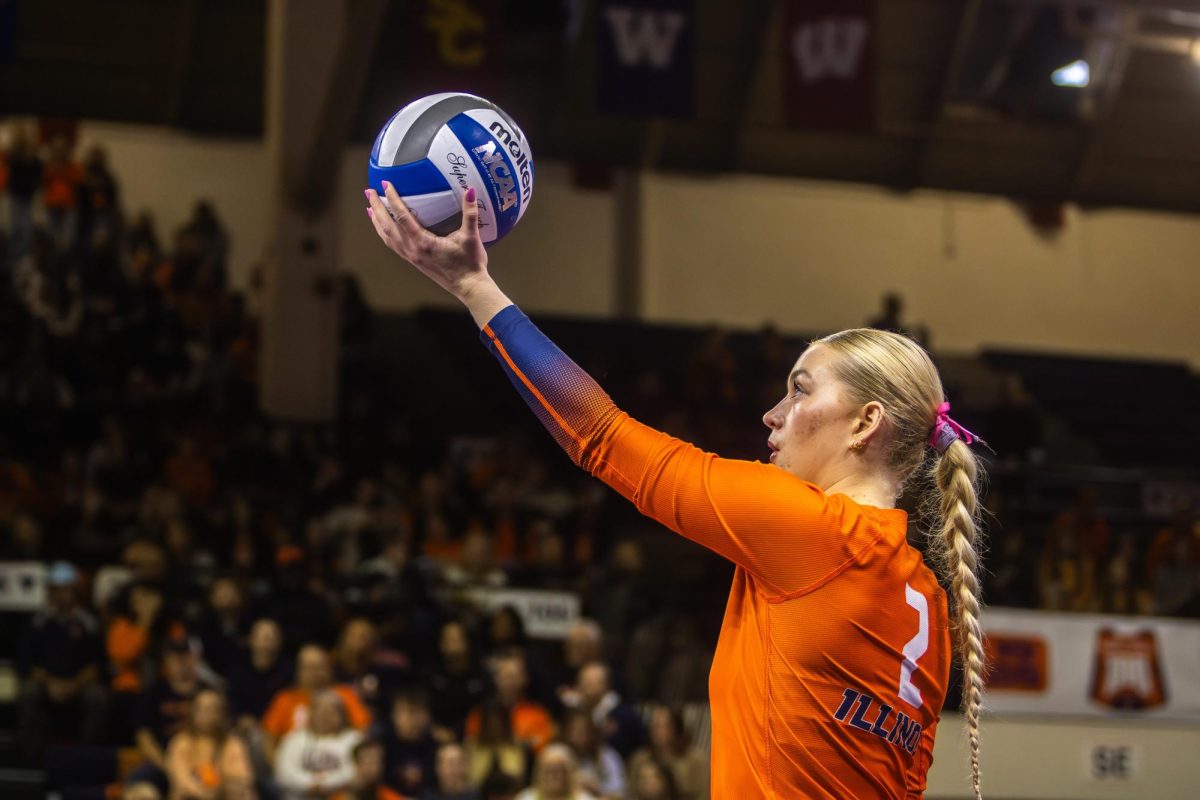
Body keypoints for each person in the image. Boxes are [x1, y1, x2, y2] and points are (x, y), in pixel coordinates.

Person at [365, 184, 988, 798]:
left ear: (865, 423)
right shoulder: (928, 597)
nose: (773, 414)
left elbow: (601, 435)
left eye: (799, 390)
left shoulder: (816, 530)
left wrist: (474, 287)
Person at [17, 561, 107, 759]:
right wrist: (50, 683)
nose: (60, 594)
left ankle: (87, 755)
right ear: (49, 591)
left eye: (65, 589)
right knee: (29, 691)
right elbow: (26, 662)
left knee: (97, 696)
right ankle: (31, 756)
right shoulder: (37, 622)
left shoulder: (89, 622)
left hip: (79, 683)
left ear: (75, 590)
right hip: (46, 682)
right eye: (55, 589)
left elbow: (98, 664)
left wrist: (74, 684)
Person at [262, 644, 372, 755]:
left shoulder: (344, 694)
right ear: (299, 671)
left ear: (329, 669)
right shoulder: (285, 699)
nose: (315, 673)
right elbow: (269, 742)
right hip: (295, 761)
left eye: (320, 667)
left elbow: (363, 731)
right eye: (309, 668)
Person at [163, 688, 255, 800]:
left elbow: (242, 778)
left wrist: (221, 789)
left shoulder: (232, 743)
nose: (207, 714)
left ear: (221, 714)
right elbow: (181, 779)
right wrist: (203, 793)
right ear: (193, 712)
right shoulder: (180, 742)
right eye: (202, 709)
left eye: (213, 709)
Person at [275, 690, 363, 800]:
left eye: (331, 712)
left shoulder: (354, 740)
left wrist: (325, 784)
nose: (325, 717)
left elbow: (356, 771)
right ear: (311, 714)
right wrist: (309, 784)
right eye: (321, 712)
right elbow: (284, 772)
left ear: (342, 715)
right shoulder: (293, 739)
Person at [463, 650, 555, 755]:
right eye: (505, 676)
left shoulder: (538, 715)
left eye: (515, 676)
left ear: (525, 679)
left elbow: (541, 746)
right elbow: (470, 745)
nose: (510, 681)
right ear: (495, 678)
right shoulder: (480, 714)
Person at [627, 707, 706, 800]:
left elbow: (703, 795)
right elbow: (630, 793)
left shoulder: (695, 761)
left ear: (676, 728)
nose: (656, 731)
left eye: (662, 726)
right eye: (653, 726)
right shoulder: (639, 759)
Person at [382, 689, 439, 797]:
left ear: (428, 716)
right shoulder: (382, 745)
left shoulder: (437, 746)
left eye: (419, 711)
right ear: (394, 716)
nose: (413, 718)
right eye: (408, 711)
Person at [560, 710, 624, 800]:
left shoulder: (607, 756)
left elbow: (619, 794)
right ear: (566, 732)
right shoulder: (558, 757)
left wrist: (597, 789)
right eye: (574, 730)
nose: (579, 735)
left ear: (592, 732)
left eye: (583, 730)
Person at [513, 744, 594, 800]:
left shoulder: (583, 798)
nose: (553, 776)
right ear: (539, 773)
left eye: (559, 771)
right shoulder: (525, 798)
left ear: (569, 774)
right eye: (548, 771)